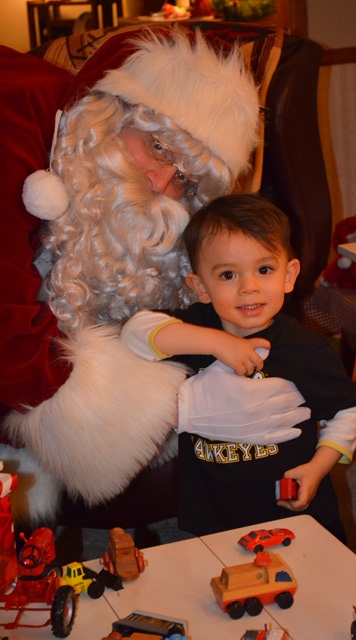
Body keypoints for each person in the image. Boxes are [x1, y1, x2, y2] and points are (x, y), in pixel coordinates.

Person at [0, 27, 281, 526]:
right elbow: (11, 331)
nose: (159, 180)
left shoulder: (85, 164)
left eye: (184, 180)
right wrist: (131, 411)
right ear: (112, 113)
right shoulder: (13, 124)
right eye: (159, 147)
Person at [121, 193, 356, 540]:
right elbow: (134, 332)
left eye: (264, 270)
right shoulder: (196, 328)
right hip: (213, 512)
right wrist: (215, 343)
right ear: (201, 287)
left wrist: (317, 468)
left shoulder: (305, 349)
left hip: (294, 512)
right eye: (227, 275)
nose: (248, 288)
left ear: (289, 275)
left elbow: (348, 411)